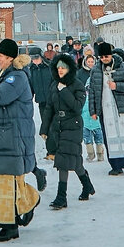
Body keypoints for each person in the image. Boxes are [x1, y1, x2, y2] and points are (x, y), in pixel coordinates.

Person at [0, 38, 42, 242]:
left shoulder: (17, 77)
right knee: (2, 181)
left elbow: (1, 96)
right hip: (4, 136)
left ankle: (11, 224)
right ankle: (12, 218)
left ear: (10, 58)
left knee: (8, 182)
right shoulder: (5, 74)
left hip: (13, 137)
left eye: (1, 57)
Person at [39, 53, 96, 208]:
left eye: (63, 68)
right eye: (58, 68)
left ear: (69, 68)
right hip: (59, 127)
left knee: (63, 161)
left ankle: (61, 197)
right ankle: (87, 185)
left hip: (73, 125)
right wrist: (44, 128)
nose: (60, 70)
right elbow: (49, 108)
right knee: (74, 160)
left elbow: (77, 106)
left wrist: (64, 91)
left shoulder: (77, 85)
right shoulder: (54, 85)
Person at [87, 41, 124, 175]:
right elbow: (92, 91)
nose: (105, 59)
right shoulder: (95, 70)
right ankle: (116, 165)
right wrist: (93, 110)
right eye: (102, 57)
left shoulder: (123, 67)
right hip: (105, 108)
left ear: (111, 55)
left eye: (107, 56)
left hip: (121, 107)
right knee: (110, 137)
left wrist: (117, 86)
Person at [79, 54, 105, 160]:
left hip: (96, 107)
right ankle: (90, 154)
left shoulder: (99, 72)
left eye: (92, 61)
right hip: (85, 110)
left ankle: (100, 154)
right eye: (88, 61)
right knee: (87, 135)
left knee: (99, 134)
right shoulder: (80, 73)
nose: (90, 63)